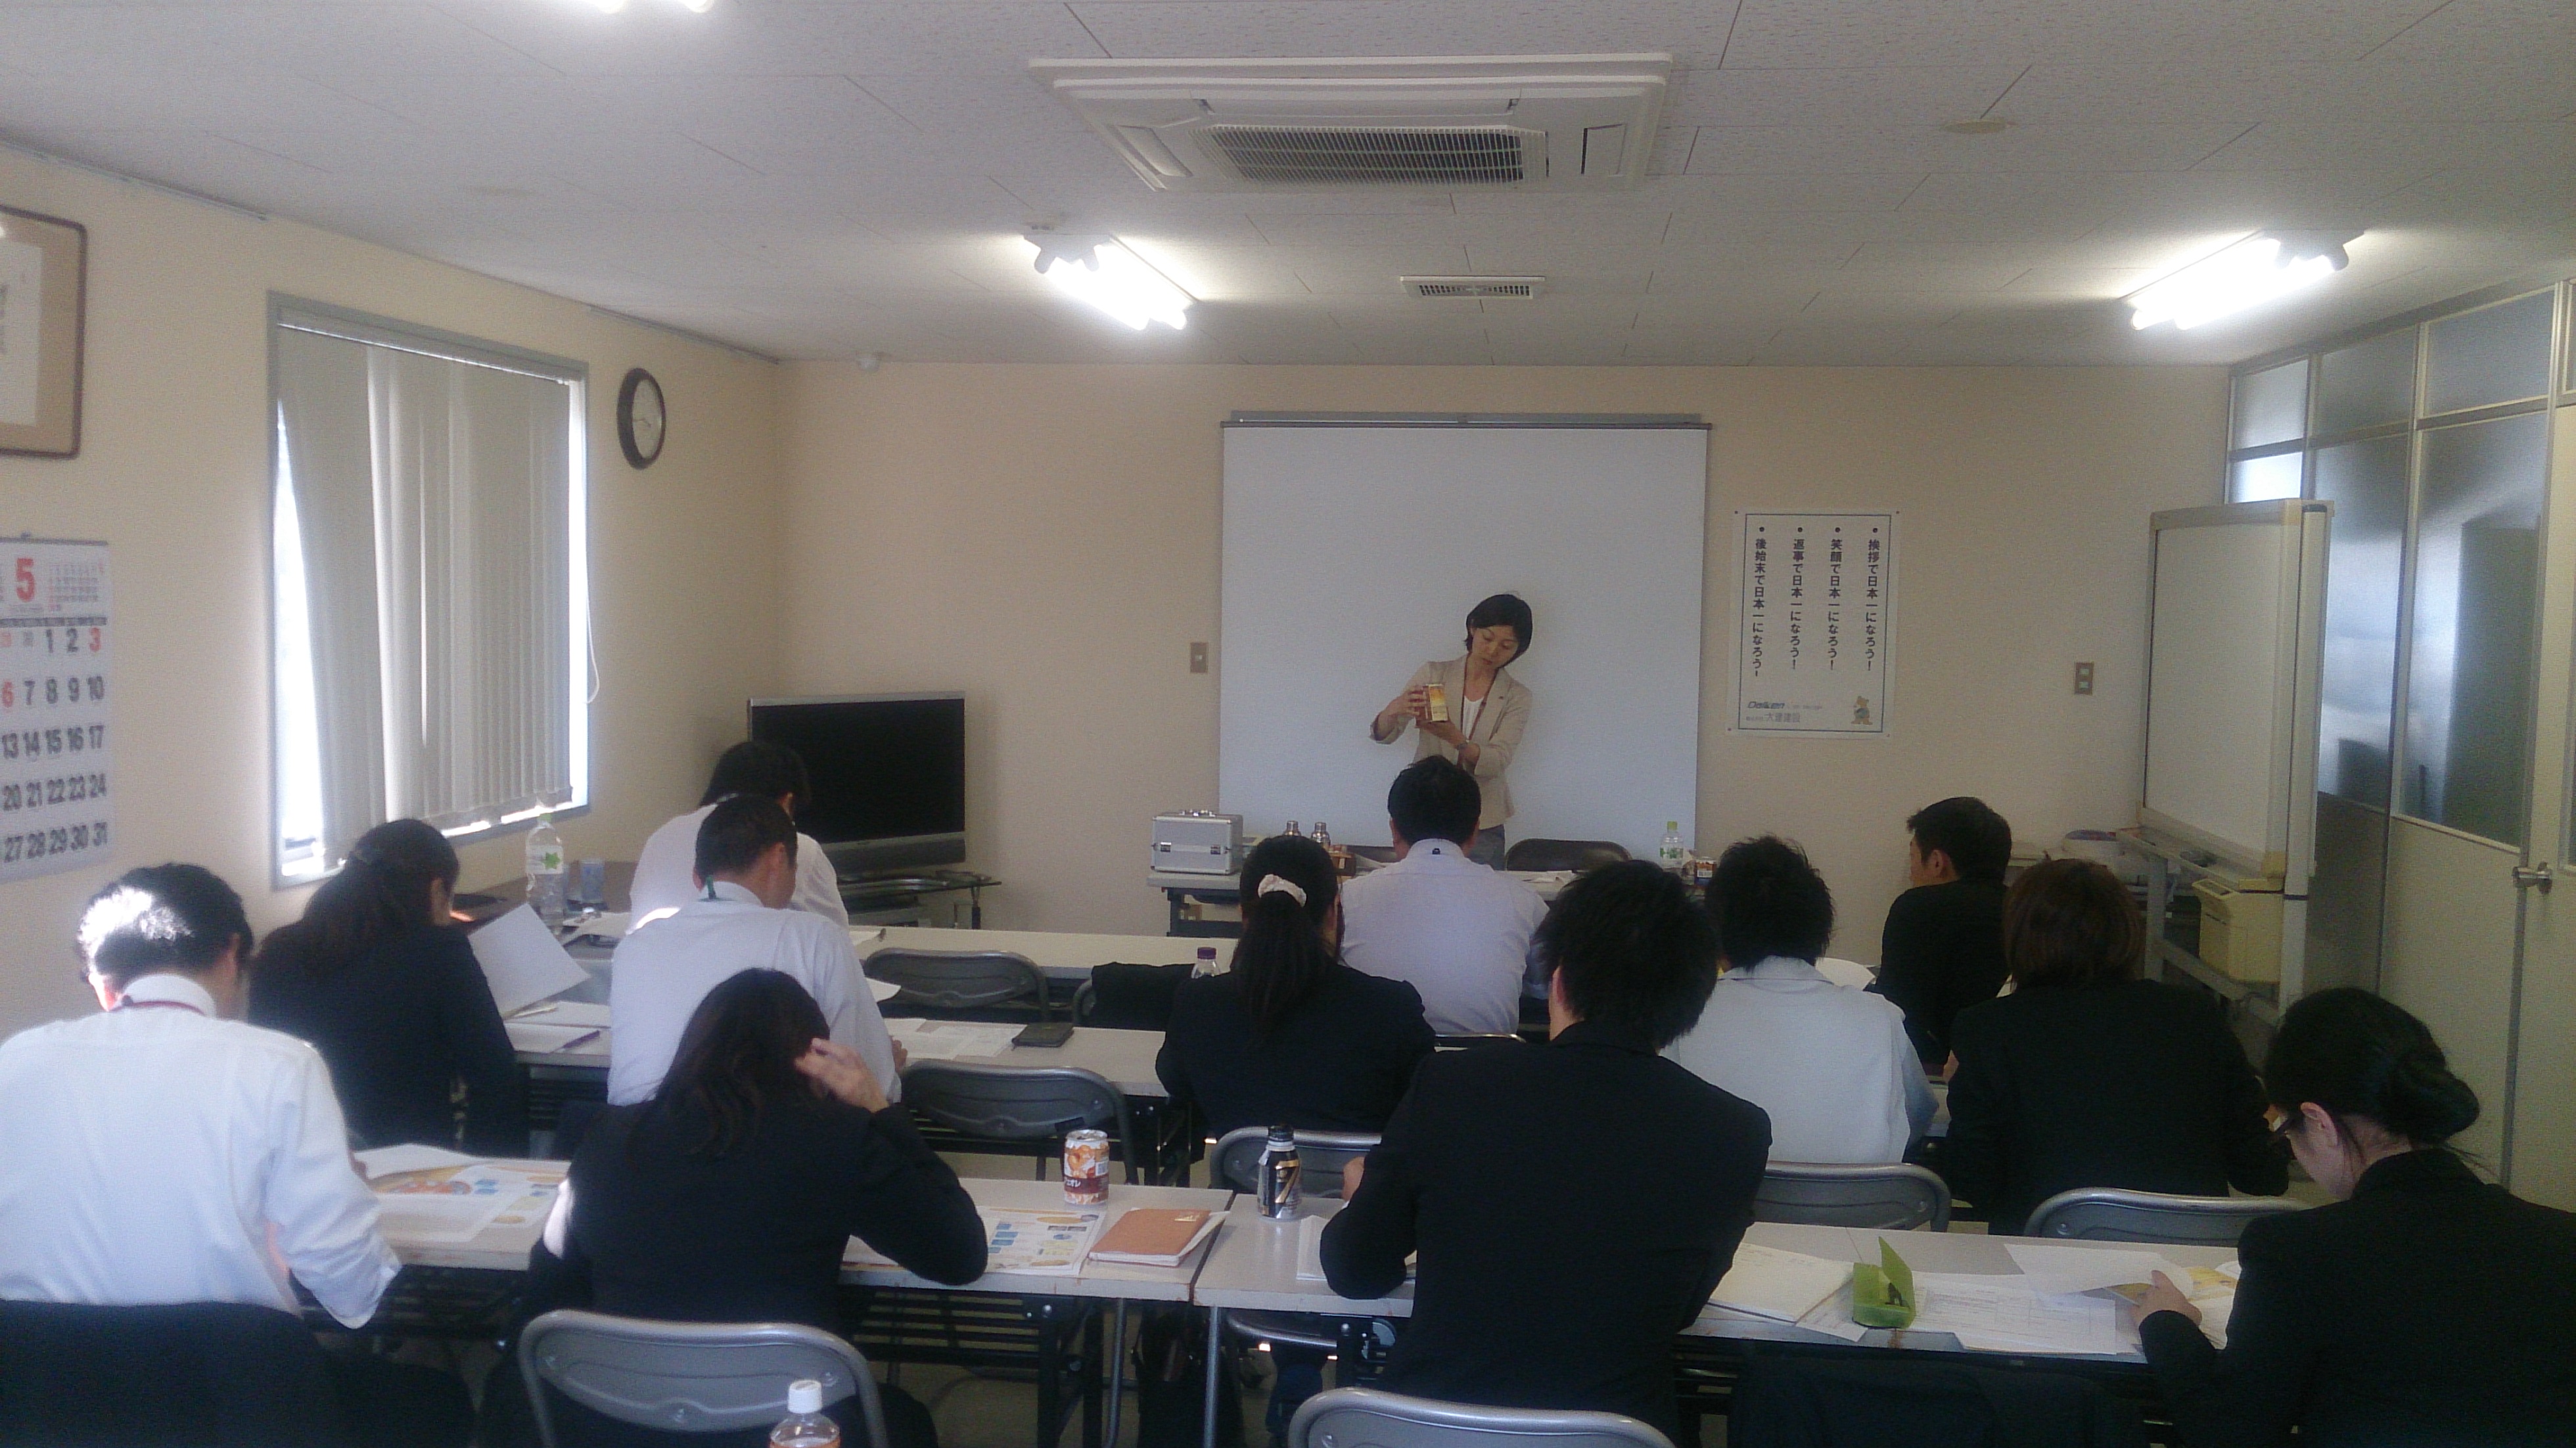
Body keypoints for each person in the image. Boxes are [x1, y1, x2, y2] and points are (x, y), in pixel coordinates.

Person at [0, 865, 469, 1445]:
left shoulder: (15, 1062)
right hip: (234, 1398)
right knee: (435, 1398)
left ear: (102, 979)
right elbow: (345, 1282)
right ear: (231, 953)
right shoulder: (278, 1064)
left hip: (40, 1400)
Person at [1322, 861, 1769, 1435]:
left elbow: (1355, 1271)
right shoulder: (1734, 1132)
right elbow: (1678, 1311)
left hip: (1436, 1433)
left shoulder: (1454, 1086)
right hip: (1614, 1438)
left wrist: (1364, 1198)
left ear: (1557, 981)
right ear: (1691, 1005)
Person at [539, 970, 984, 1448]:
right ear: (812, 1059)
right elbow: (959, 1256)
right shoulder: (837, 1139)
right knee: (905, 1419)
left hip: (617, 1420)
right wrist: (880, 1110)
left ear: (692, 1047)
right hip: (788, 1426)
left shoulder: (608, 1138)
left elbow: (551, 1282)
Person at [2138, 989, 2576, 1447]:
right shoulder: (2562, 1241)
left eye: (2285, 1130)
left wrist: (2167, 1324)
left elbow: (2229, 1433)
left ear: (2319, 1122)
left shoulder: (2297, 1250)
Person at [1943, 858, 2285, 1235]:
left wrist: (1962, 1092)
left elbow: (1976, 1185)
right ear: (2127, 931)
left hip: (2043, 1253)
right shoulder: (2195, 1015)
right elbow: (2262, 1175)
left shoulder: (1988, 1028)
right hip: (2186, 1256)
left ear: (2018, 936)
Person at [250, 818, 527, 1155]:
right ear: (436, 890)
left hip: (299, 1155)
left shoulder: (279, 950)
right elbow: (495, 1076)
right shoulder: (437, 952)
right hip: (409, 1161)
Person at [609, 796, 899, 1106]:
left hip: (640, 1131)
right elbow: (873, 1086)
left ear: (697, 878)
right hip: (761, 1132)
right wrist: (888, 1068)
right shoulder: (817, 938)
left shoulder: (634, 947)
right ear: (779, 858)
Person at [1665, 836, 1933, 1164]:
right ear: (1821, 932)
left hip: (1719, 1196)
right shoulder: (1881, 1019)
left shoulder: (1682, 1017)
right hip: (1862, 1198)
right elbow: (1919, 1117)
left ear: (1715, 935)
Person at [1158, 832, 1435, 1137]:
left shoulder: (1197, 1005)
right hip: (1357, 1171)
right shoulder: (1392, 1009)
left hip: (1242, 1168)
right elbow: (1424, 1108)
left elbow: (1177, 1084)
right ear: (1333, 912)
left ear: (1244, 916)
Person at [1337, 758, 1550, 1037]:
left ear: (1394, 830)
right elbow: (1548, 988)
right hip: (1484, 1062)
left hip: (1377, 1062)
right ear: (1475, 830)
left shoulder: (1348, 898)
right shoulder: (1524, 899)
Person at [1369, 593, 1534, 869]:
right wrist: (1393, 709)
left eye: (1507, 646)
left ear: (1519, 649)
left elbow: (1497, 761)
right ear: (1473, 628)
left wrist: (1454, 738)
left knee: (1480, 892)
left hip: (1482, 818)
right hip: (1425, 807)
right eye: (1488, 638)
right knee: (1419, 886)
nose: (1493, 651)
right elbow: (1386, 735)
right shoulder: (1434, 674)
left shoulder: (1517, 696)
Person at [629, 740, 848, 928]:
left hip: (652, 960)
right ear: (786, 801)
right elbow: (835, 931)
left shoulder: (662, 836)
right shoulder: (797, 847)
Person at [1870, 796, 2012, 1069]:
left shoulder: (1917, 908)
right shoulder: (2024, 911)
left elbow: (1896, 1013)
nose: (1911, 871)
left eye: (1913, 856)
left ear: (1937, 862)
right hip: (2003, 1070)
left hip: (1930, 1069)